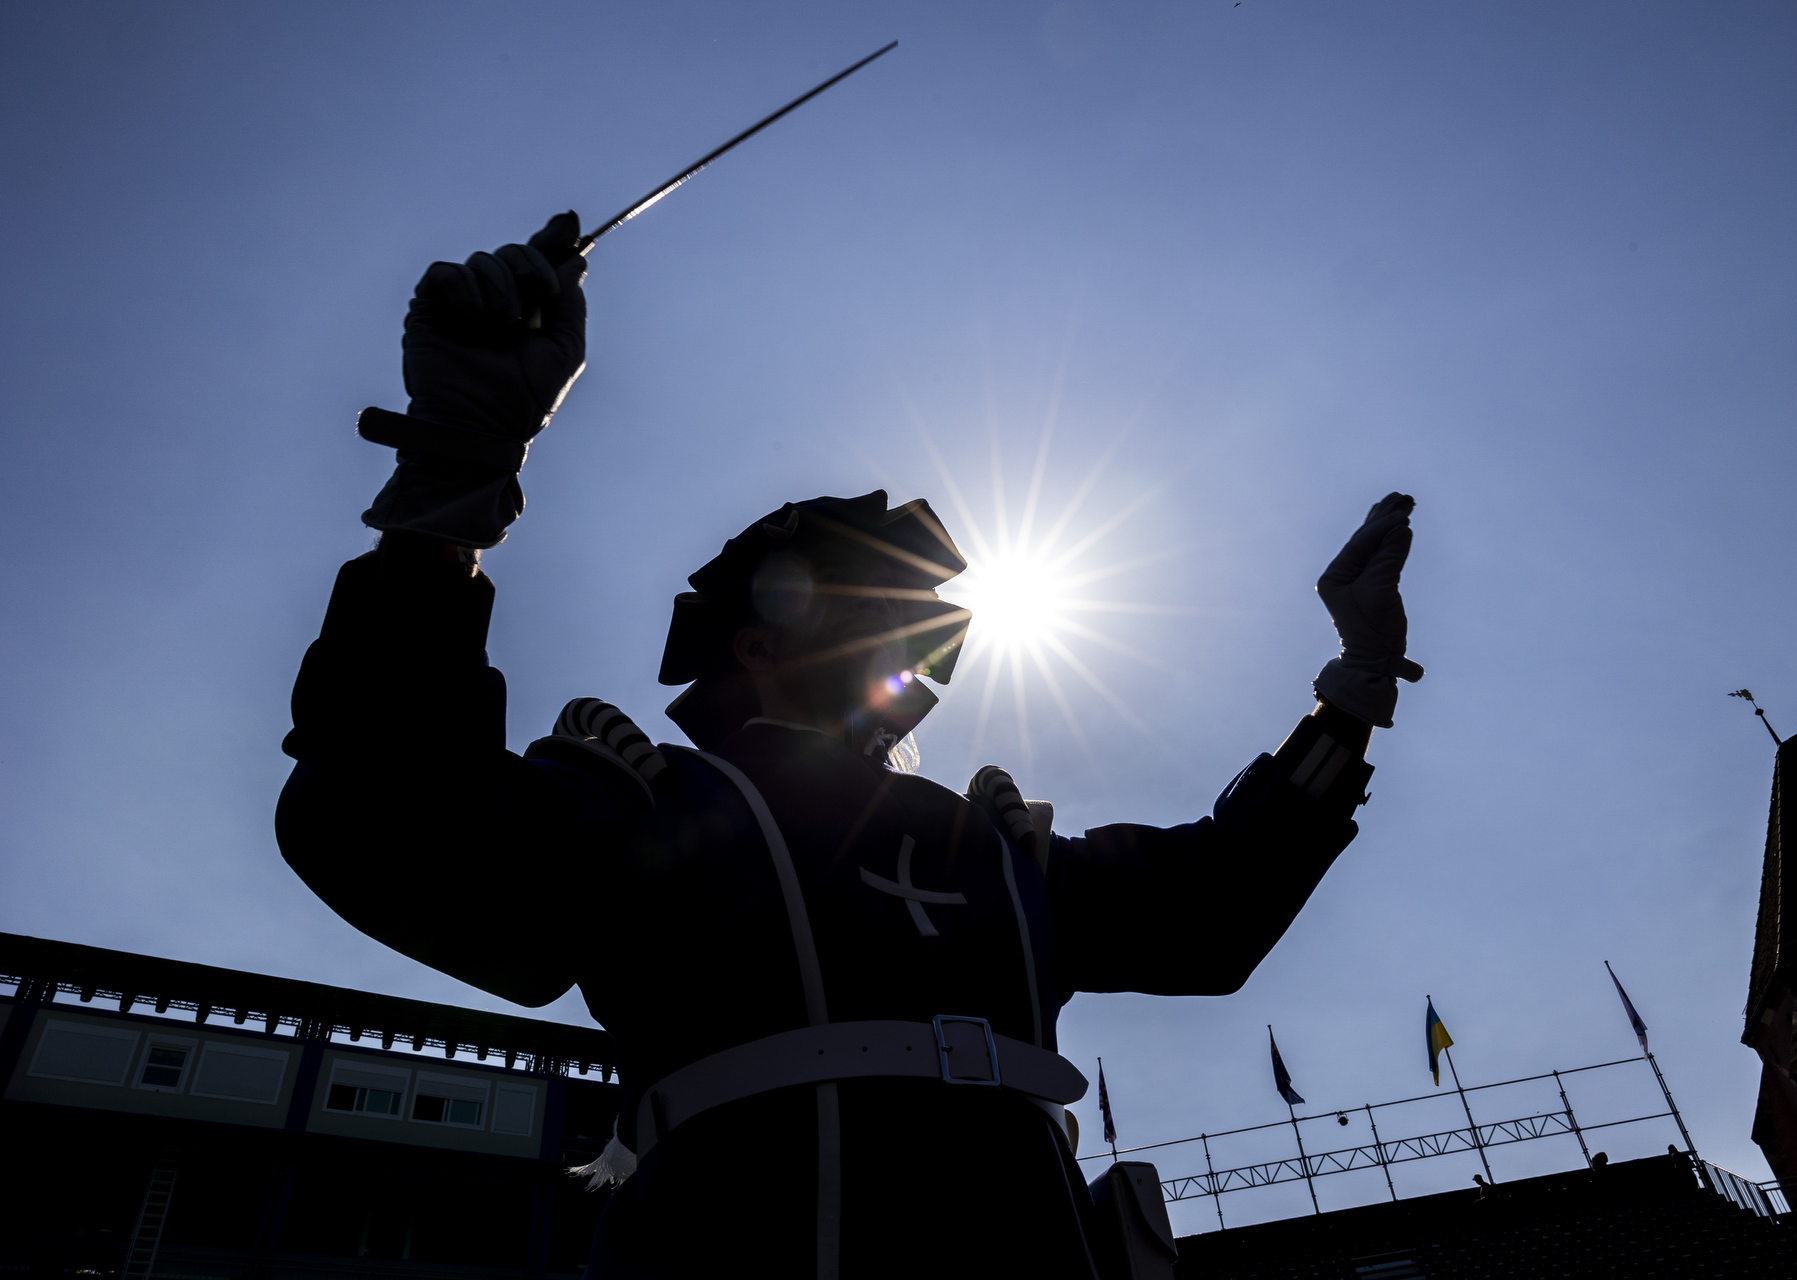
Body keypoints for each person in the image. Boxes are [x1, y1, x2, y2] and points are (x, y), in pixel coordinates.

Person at [276, 214, 1422, 1279]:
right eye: (870, 609)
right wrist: (449, 481)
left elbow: (1213, 907)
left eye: (926, 627)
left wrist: (1355, 686)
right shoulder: (656, 800)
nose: (914, 646)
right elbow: (384, 821)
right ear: (757, 645)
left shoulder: (999, 853)